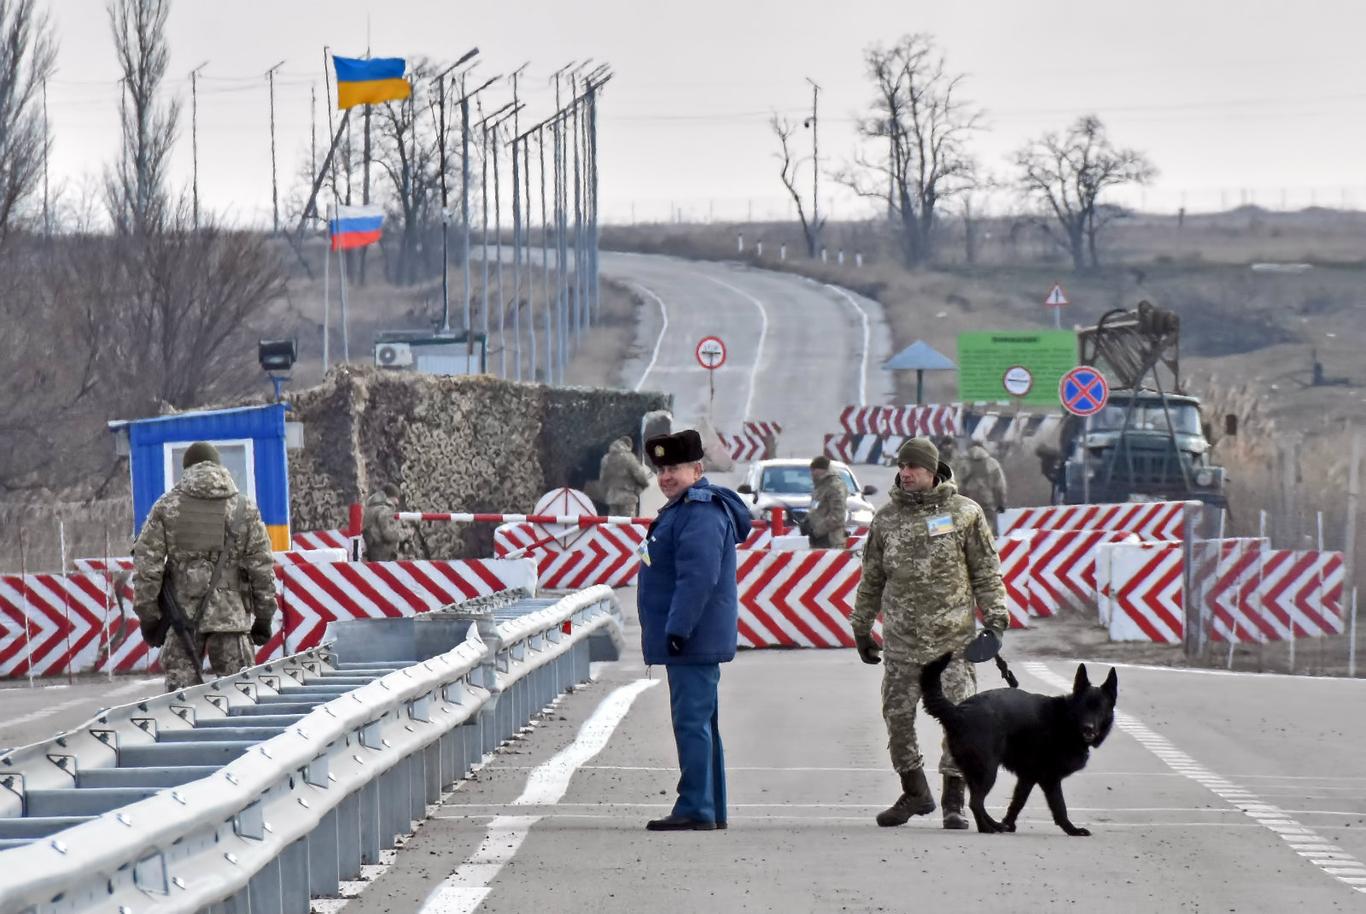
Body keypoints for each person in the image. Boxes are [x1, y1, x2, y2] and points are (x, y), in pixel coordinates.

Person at [849, 436, 1009, 830]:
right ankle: (915, 791)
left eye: (914, 467)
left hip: (952, 645)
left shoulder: (965, 514)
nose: (905, 474)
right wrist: (861, 628)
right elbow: (871, 578)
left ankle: (954, 798)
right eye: (901, 467)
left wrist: (996, 623)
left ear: (933, 471)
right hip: (901, 644)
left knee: (960, 721)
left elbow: (987, 573)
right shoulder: (885, 519)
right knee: (897, 718)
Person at [637, 429, 751, 831]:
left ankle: (697, 807)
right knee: (699, 722)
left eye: (675, 468)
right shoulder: (684, 508)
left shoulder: (699, 511)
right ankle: (708, 807)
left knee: (691, 722)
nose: (666, 476)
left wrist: (678, 629)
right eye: (661, 469)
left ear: (697, 469)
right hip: (691, 636)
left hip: (690, 637)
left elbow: (698, 577)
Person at [133, 442, 277, 691]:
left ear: (187, 469)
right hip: (232, 622)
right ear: (219, 467)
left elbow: (147, 568)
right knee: (241, 700)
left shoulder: (167, 507)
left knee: (181, 707)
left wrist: (149, 617)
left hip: (181, 621)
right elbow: (261, 569)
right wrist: (263, 618)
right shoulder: (244, 509)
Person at [957, 443, 1008, 533]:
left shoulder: (962, 464)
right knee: (990, 532)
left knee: (969, 531)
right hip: (987, 501)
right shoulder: (992, 463)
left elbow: (956, 484)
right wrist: (1001, 503)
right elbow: (1000, 485)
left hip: (967, 502)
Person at [599, 435, 652, 517]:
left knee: (612, 525)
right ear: (628, 445)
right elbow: (640, 475)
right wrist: (643, 486)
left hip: (612, 497)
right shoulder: (629, 457)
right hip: (627, 497)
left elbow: (602, 480)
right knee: (627, 524)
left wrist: (606, 493)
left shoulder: (606, 459)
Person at [804, 456, 848, 549]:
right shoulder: (820, 486)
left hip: (831, 540)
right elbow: (818, 508)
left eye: (813, 470)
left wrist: (816, 531)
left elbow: (838, 516)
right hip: (818, 541)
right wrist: (807, 522)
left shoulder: (834, 486)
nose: (811, 474)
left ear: (821, 470)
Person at [362, 483, 410, 561]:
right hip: (384, 556)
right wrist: (406, 533)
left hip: (370, 555)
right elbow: (389, 534)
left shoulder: (369, 508)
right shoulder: (385, 511)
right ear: (393, 498)